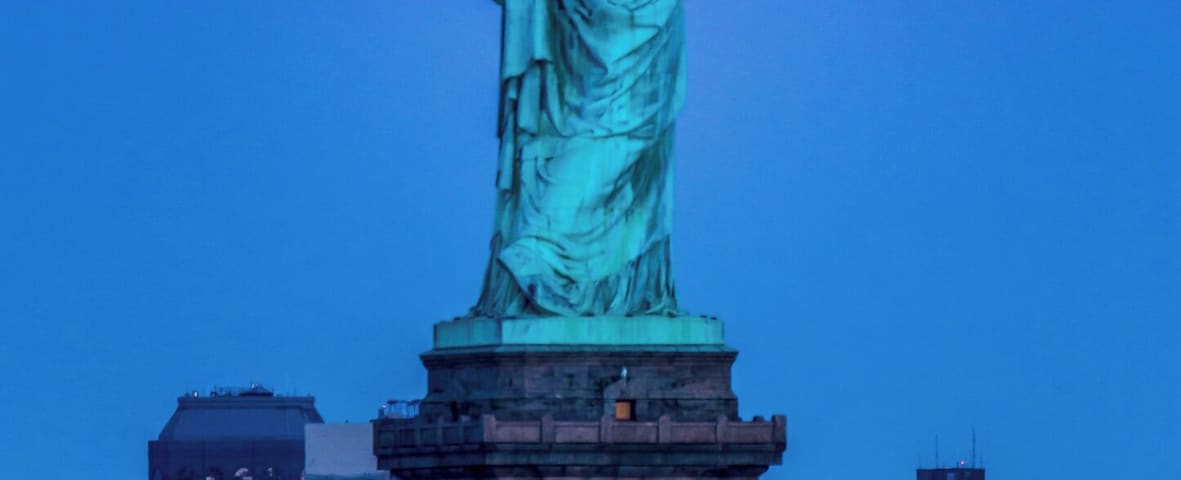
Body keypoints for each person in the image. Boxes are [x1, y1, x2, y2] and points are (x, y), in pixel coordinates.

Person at [473, 0, 687, 317]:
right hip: (579, 47)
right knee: (575, 151)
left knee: (618, 157)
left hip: (643, 40)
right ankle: (547, 264)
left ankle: (592, 278)